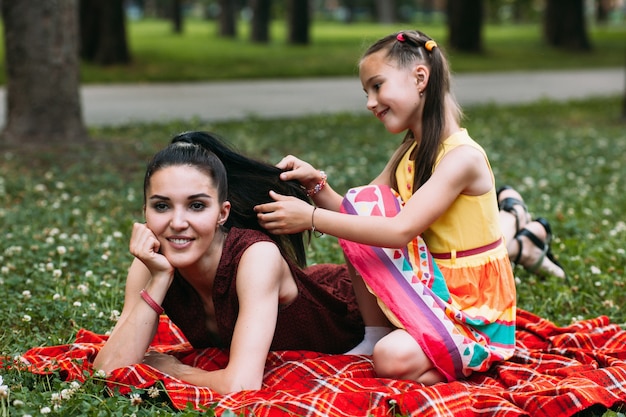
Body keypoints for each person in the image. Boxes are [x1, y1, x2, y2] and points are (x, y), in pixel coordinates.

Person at [254, 29, 545, 385]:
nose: (370, 102)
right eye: (366, 92)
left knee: (391, 359)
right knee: (366, 199)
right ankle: (376, 335)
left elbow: (399, 232)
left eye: (377, 86)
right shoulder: (409, 152)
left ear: (420, 78)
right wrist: (316, 185)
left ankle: (471, 353)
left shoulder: (461, 158)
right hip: (432, 286)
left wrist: (312, 218)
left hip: (472, 307)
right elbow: (355, 215)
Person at [93, 131, 364, 394]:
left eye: (196, 206)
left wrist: (176, 370)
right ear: (145, 212)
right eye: (162, 206)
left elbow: (241, 385)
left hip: (355, 318)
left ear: (222, 213)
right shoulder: (153, 262)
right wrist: (160, 278)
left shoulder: (255, 256)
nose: (177, 223)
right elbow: (107, 369)